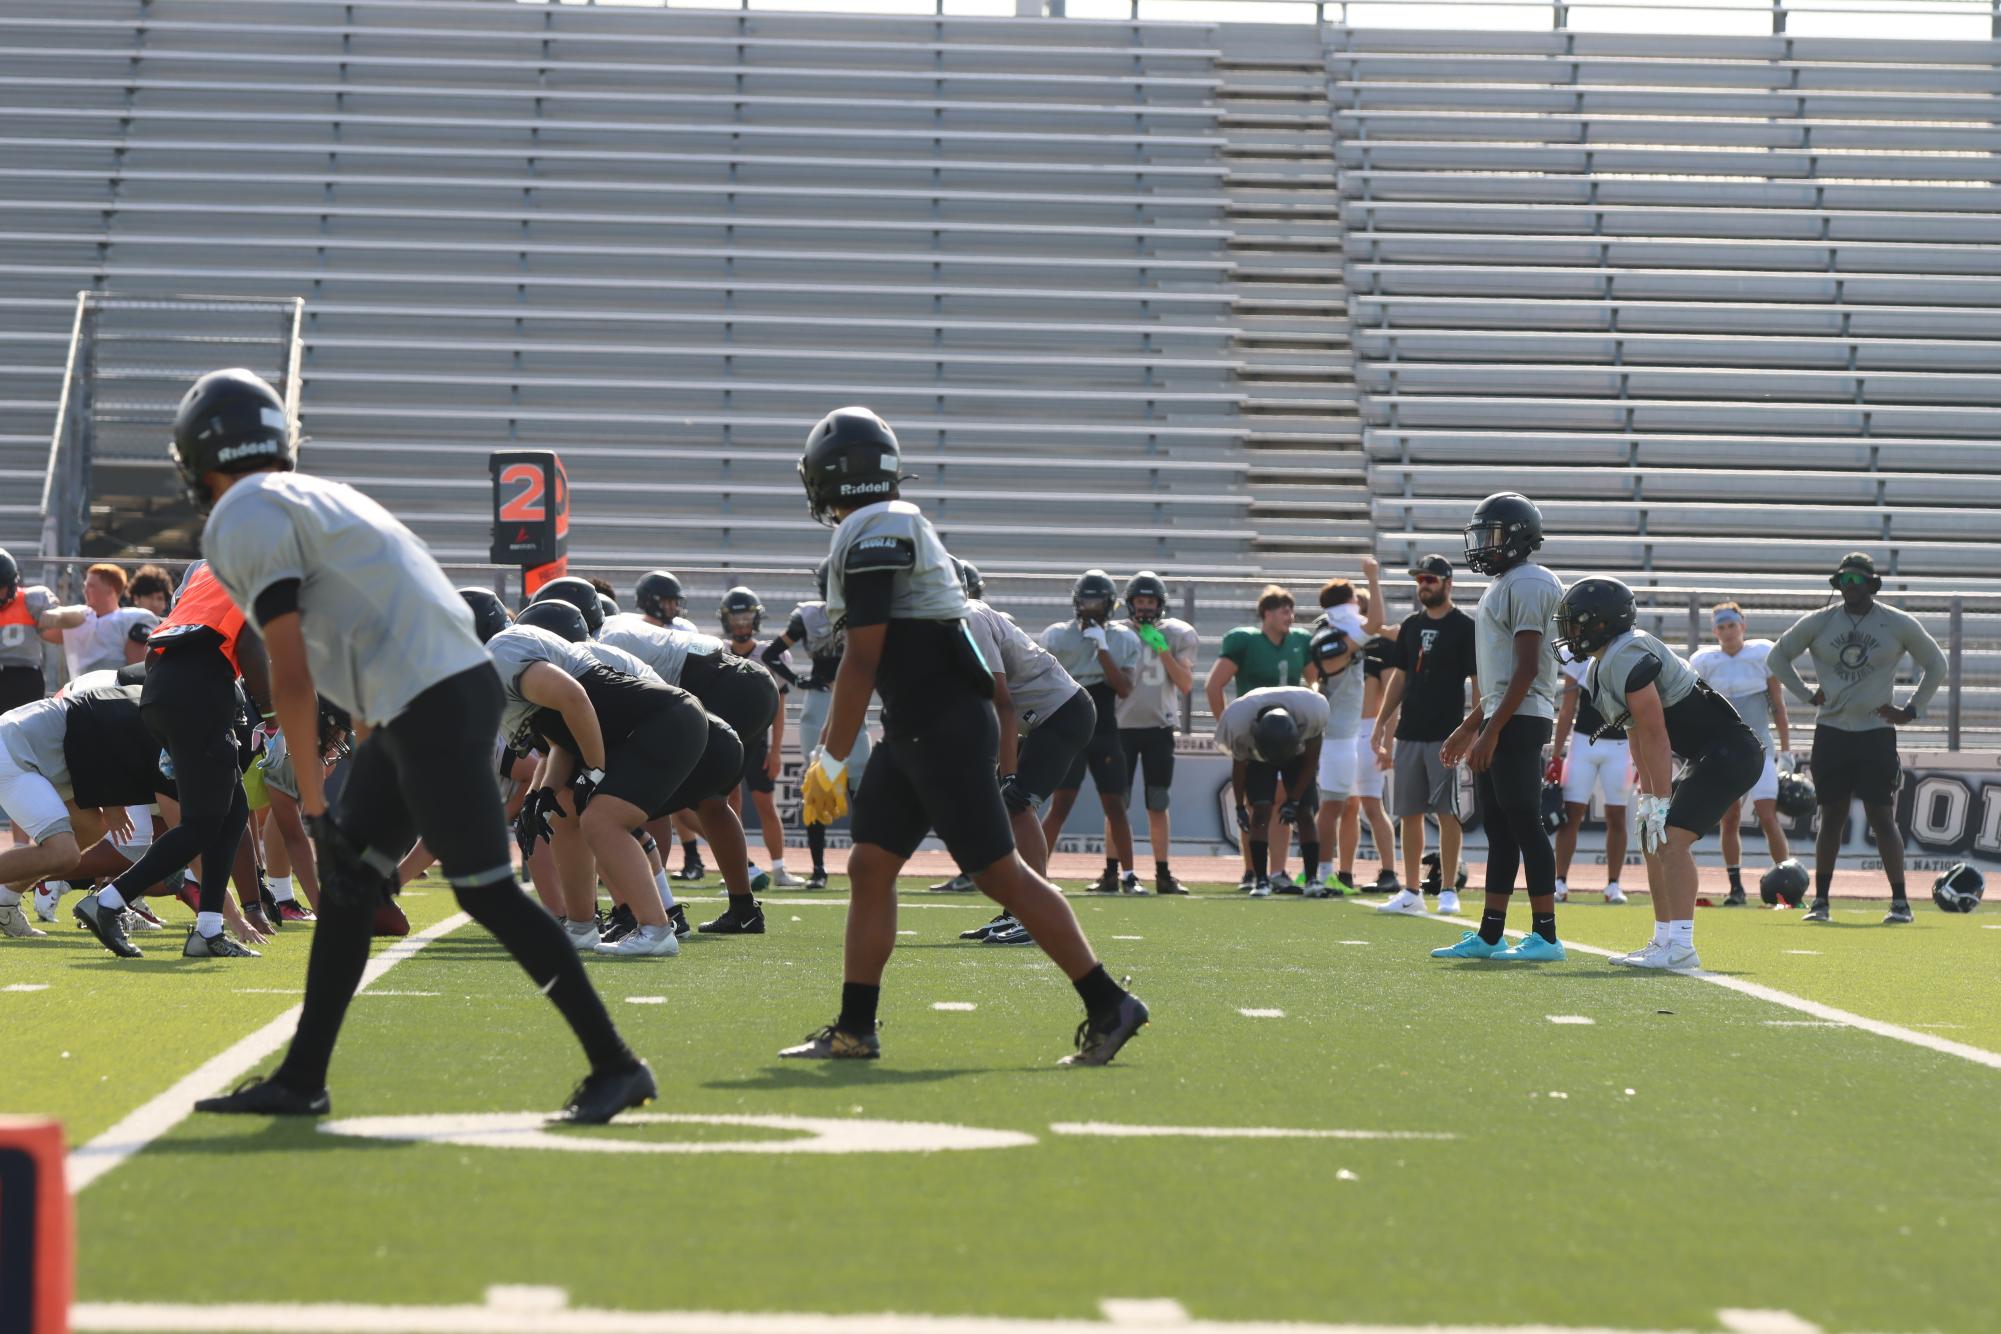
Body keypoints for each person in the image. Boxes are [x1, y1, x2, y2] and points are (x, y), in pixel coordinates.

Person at [158, 368, 651, 1124]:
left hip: (430, 700)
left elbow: (289, 672)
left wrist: (316, 803)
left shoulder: (242, 515)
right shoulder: (325, 496)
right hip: (427, 695)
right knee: (352, 887)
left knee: (483, 889)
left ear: (200, 455)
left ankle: (617, 1064)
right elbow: (370, 627)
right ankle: (301, 1079)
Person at [786, 406, 1146, 1065]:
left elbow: (864, 657)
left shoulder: (875, 528)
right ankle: (854, 1025)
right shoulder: (885, 522)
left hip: (939, 723)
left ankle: (1108, 1003)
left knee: (999, 874)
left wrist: (831, 757)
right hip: (917, 723)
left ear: (830, 475)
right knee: (870, 865)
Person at [1558, 579, 1763, 970]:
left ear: (1601, 623)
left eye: (1577, 622)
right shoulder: (1606, 665)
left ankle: (1682, 947)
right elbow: (1635, 732)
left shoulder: (1627, 653)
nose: (1570, 632)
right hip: (1709, 753)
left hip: (1730, 752)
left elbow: (1655, 731)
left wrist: (1661, 797)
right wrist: (1649, 797)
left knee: (1669, 841)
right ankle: (1663, 940)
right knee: (1652, 837)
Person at [73, 559, 269, 960]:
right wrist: (271, 716)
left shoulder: (208, 571)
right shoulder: (261, 567)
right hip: (199, 692)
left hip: (160, 687)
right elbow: (249, 644)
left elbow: (156, 650)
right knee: (202, 823)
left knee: (232, 811)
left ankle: (208, 930)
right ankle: (109, 901)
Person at [1771, 553, 1947, 925]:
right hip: (1832, 732)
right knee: (1831, 816)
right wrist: (1805, 694)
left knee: (1882, 817)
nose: (1850, 587)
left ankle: (1900, 902)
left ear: (1872, 583)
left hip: (1875, 734)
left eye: (1857, 580)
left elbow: (1937, 664)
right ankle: (1821, 901)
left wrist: (1911, 710)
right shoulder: (1820, 621)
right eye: (1844, 580)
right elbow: (1778, 657)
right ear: (1837, 584)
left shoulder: (1895, 622)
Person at [1429, 494, 1567, 962]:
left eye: (1491, 536)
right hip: (1505, 713)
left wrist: (1490, 730)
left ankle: (1546, 936)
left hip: (1520, 717)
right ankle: (1490, 935)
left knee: (1524, 822)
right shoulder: (1510, 581)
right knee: (1502, 830)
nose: (1482, 546)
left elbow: (1527, 668)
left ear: (1515, 537)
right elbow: (1503, 676)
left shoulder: (1529, 582)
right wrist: (1471, 726)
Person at [595, 605, 778, 934]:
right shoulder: (624, 626)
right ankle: (744, 910)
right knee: (711, 802)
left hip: (719, 689)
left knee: (645, 800)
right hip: (753, 683)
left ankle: (659, 911)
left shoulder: (602, 644)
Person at [958, 561, 1094, 941]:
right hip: (1037, 719)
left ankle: (1035, 915)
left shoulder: (968, 616)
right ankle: (1016, 909)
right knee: (1005, 807)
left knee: (1017, 802)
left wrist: (1010, 772)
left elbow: (1002, 702)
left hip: (1061, 712)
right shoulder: (946, 626)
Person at [0, 677, 171, 938]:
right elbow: (92, 728)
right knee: (64, 854)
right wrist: (112, 802)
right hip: (17, 750)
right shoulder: (135, 708)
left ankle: (5, 902)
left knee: (92, 828)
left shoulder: (146, 705)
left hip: (43, 755)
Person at [1371, 555, 1476, 917]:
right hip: (1410, 732)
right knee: (1409, 813)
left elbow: (1478, 683)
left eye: (1430, 579)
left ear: (1448, 583)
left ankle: (1447, 887)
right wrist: (1382, 723)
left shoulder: (1465, 627)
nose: (1424, 585)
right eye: (1420, 580)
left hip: (1446, 734)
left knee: (1448, 813)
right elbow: (1399, 678)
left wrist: (1473, 731)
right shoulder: (1411, 626)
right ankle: (1411, 889)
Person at [760, 563, 873, 889]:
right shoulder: (809, 616)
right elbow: (772, 653)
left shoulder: (862, 613)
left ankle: (864, 864)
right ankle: (820, 870)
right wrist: (800, 681)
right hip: (822, 701)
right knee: (817, 789)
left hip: (851, 701)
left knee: (857, 787)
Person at [1038, 572, 1141, 893]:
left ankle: (1129, 875)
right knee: (1060, 804)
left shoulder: (1124, 638)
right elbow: (1045, 681)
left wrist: (1103, 649)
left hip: (1105, 729)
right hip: (1068, 727)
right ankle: (1036, 872)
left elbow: (1123, 688)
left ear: (1111, 605)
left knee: (1116, 805)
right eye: (1087, 601)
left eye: (1099, 602)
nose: (1092, 609)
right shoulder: (1057, 636)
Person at [1208, 585, 1314, 890]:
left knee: (1285, 802)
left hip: (1289, 735)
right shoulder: (1245, 641)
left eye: (1292, 611)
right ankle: (1252, 871)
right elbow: (1214, 685)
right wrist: (1231, 728)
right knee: (1257, 805)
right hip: (1255, 736)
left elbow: (1314, 681)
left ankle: (1279, 871)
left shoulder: (1299, 642)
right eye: (1284, 611)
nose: (1290, 617)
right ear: (1266, 614)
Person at [1690, 602, 1793, 906]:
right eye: (1721, 627)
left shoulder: (1762, 653)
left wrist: (1786, 749)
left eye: (1731, 625)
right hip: (1727, 750)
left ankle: (1785, 886)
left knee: (1767, 816)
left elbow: (1778, 705)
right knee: (1730, 817)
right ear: (1714, 631)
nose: (1727, 632)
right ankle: (1736, 886)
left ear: (1743, 626)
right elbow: (1697, 709)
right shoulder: (1705, 661)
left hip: (1760, 747)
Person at [1108, 570, 1197, 895]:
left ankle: (1162, 873)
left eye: (1150, 602)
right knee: (1116, 804)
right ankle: (1110, 872)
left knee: (1157, 803)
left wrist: (1162, 651)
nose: (1144, 608)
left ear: (1160, 604)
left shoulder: (1176, 634)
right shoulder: (1116, 633)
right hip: (1121, 729)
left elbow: (1186, 684)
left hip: (1158, 729)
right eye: (1140, 601)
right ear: (1130, 603)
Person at [1, 549, 87, 850]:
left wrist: (58, 614)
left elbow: (74, 618)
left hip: (22, 680)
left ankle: (22, 842)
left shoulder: (31, 599)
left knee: (21, 757)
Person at [1213, 686, 1328, 899]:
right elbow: (1239, 766)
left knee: (1305, 812)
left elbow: (1311, 760)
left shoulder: (1312, 711)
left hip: (1296, 752)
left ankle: (1312, 878)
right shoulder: (1239, 723)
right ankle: (1261, 880)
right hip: (1259, 757)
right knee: (1261, 811)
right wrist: (1239, 806)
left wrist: (1293, 800)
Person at [720, 586, 798, 888]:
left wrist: (776, 750)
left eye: (746, 617)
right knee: (729, 803)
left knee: (765, 802)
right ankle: (738, 868)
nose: (742, 623)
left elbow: (779, 707)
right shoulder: (718, 652)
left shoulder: (770, 654)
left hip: (757, 738)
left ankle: (779, 868)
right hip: (726, 737)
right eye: (736, 618)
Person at [1549, 654, 1630, 905]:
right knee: (1571, 814)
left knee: (1617, 816)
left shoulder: (1628, 652)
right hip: (1583, 743)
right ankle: (1559, 880)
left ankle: (1613, 884)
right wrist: (1556, 754)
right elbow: (1567, 708)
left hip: (1620, 745)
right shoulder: (1579, 657)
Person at [57, 563, 159, 680]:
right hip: (78, 691)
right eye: (85, 586)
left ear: (110, 590)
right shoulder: (79, 617)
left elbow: (137, 672)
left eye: (91, 586)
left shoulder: (130, 619)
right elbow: (44, 629)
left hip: (114, 693)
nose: (85, 591)